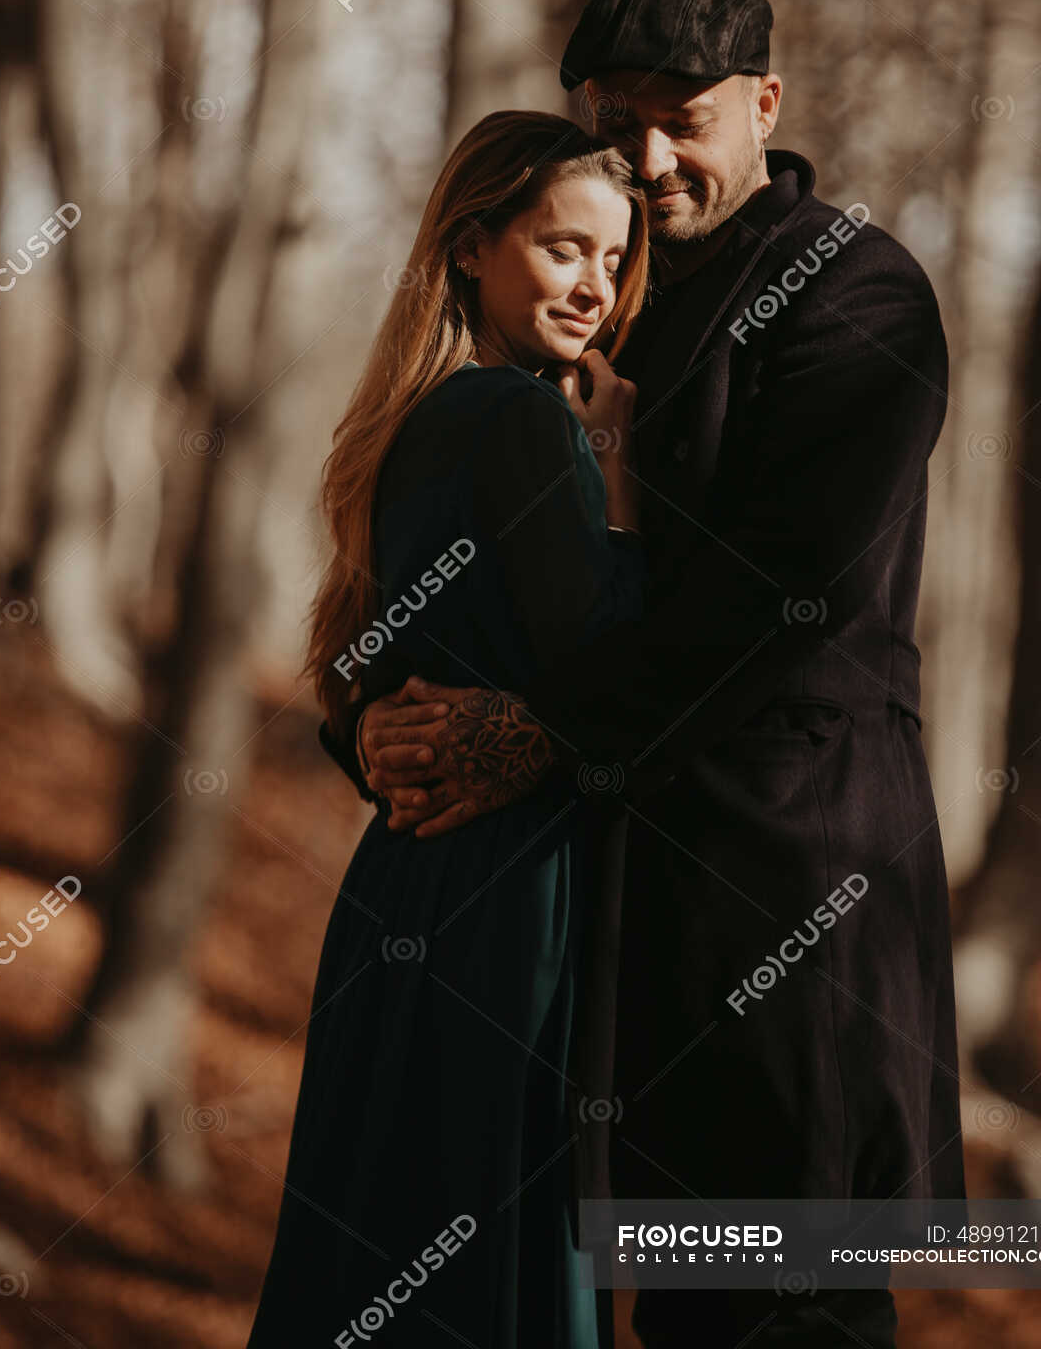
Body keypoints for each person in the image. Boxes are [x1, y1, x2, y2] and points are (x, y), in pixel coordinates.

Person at [354, 0, 967, 1347]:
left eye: (682, 118)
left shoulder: (856, 298)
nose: (648, 154)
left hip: (786, 893)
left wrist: (528, 732)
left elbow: (773, 599)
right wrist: (377, 724)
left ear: (764, 104)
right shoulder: (585, 290)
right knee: (664, 1313)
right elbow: (445, 560)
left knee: (781, 1310)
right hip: (596, 915)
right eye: (617, 114)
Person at [245, 111, 652, 1349]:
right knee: (494, 1249)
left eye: (613, 260)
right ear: (472, 246)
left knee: (380, 1233)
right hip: (511, 896)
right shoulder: (528, 423)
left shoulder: (408, 425)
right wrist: (626, 482)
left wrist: (379, 736)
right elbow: (610, 670)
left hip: (400, 888)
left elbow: (358, 674)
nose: (594, 286)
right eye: (562, 248)